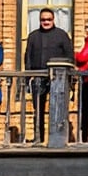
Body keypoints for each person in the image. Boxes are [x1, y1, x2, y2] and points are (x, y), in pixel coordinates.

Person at [24, 8, 72, 144]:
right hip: (38, 77)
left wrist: (69, 80)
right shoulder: (33, 36)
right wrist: (28, 77)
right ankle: (38, 138)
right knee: (38, 109)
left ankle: (57, 139)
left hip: (58, 78)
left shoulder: (62, 35)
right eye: (43, 20)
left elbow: (69, 56)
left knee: (57, 108)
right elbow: (27, 57)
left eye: (48, 19)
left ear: (53, 20)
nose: (46, 22)